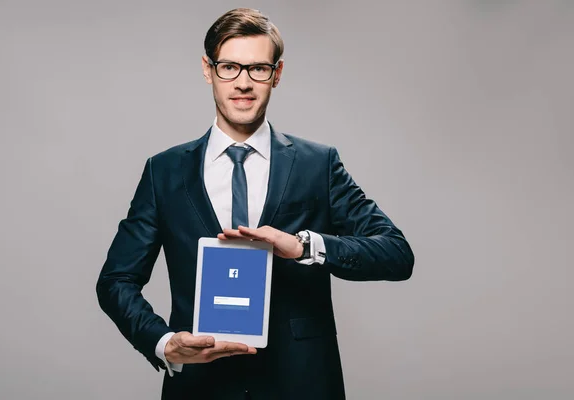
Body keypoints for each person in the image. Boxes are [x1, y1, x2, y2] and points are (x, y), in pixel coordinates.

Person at [96, 7, 414, 400]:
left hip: (301, 384)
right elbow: (115, 280)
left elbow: (397, 254)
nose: (243, 82)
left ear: (276, 74)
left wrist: (302, 247)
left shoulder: (318, 164)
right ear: (207, 69)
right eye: (229, 66)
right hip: (200, 389)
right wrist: (163, 343)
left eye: (257, 69)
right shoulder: (163, 172)